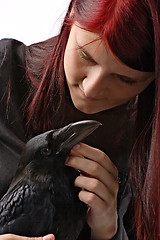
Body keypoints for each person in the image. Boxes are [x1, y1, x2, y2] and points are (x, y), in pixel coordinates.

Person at [0, 0, 159, 239]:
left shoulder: (147, 146)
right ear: (71, 13)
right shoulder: (5, 71)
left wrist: (108, 232)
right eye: (86, 55)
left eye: (125, 79)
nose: (91, 88)